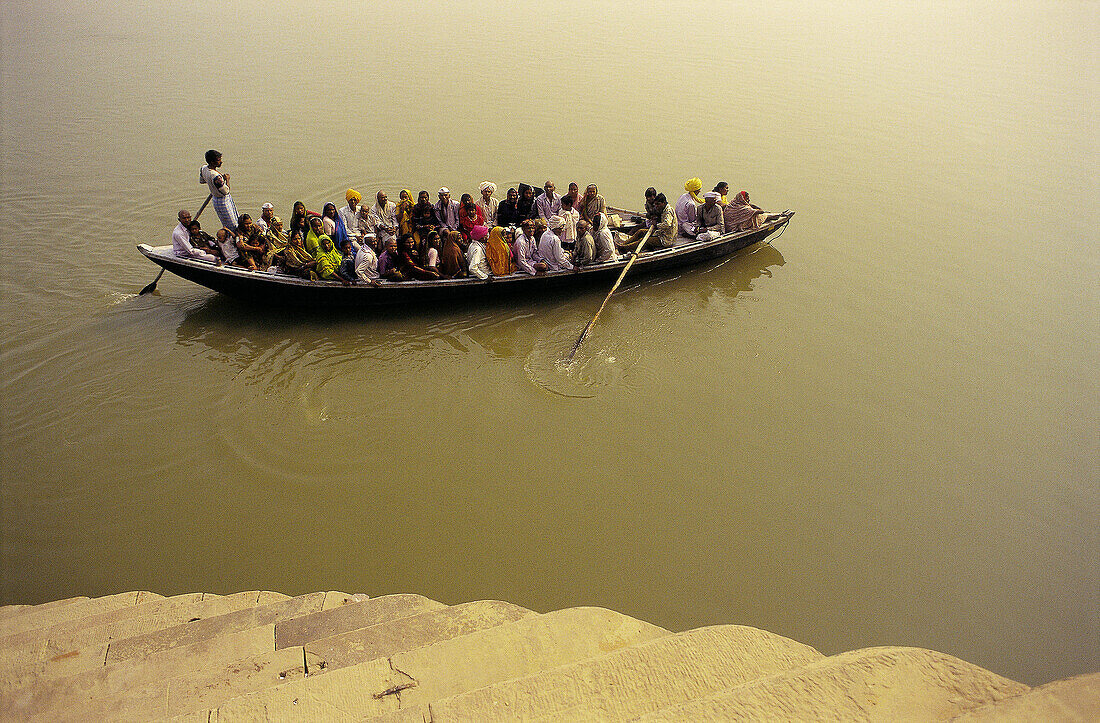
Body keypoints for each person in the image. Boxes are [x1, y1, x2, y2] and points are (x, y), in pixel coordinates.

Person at [198, 149, 238, 230]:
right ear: (212, 162)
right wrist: (227, 180)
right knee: (232, 224)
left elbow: (202, 181)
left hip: (215, 198)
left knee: (234, 219)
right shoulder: (216, 177)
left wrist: (212, 183)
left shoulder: (203, 168)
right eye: (219, 160)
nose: (221, 162)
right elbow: (226, 191)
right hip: (222, 201)